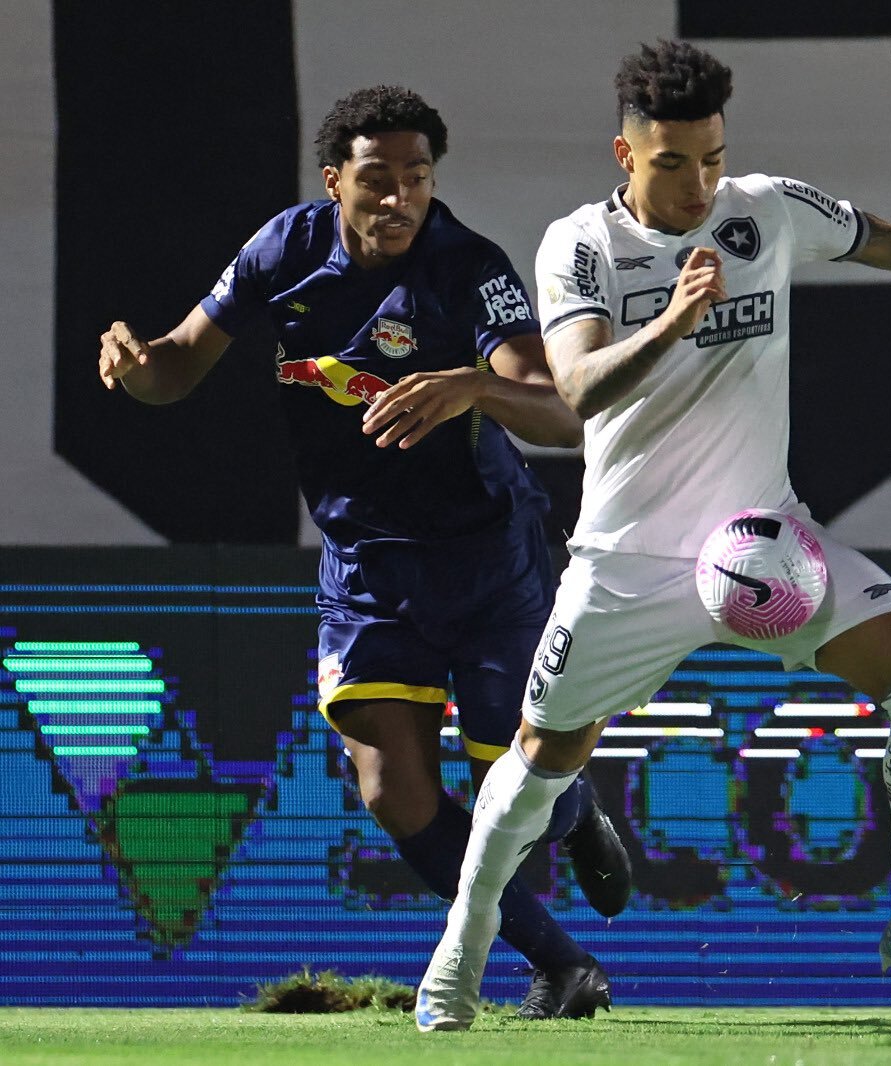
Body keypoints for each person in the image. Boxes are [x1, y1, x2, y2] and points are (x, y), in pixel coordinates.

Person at [412, 39, 891, 1032]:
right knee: (542, 755)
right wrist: (670, 321)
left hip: (764, 542)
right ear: (625, 156)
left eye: (710, 156)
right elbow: (571, 390)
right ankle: (463, 944)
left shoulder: (765, 208)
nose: (699, 182)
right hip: (628, 561)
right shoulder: (579, 245)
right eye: (672, 162)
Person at [97, 85, 632, 1020]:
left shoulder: (467, 266)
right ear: (332, 179)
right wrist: (141, 371)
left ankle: (577, 807)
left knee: (517, 778)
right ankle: (560, 962)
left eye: (416, 179)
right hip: (366, 569)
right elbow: (179, 360)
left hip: (487, 560)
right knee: (392, 791)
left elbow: (560, 411)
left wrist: (469, 385)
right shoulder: (283, 251)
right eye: (376, 180)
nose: (398, 200)